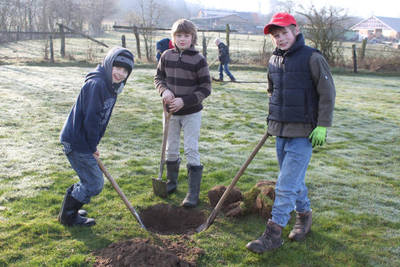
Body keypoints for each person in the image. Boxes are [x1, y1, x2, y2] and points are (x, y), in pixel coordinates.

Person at [246, 12, 336, 253]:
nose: (280, 38)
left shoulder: (312, 58)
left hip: (304, 132)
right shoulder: (274, 60)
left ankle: (272, 235)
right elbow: (272, 90)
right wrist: (274, 119)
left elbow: (328, 93)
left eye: (284, 32)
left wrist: (322, 125)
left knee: (285, 185)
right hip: (280, 130)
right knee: (294, 180)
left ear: (296, 30)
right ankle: (304, 216)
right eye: (276, 35)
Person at [58, 47, 134, 226]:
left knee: (90, 181)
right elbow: (91, 120)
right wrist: (92, 147)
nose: (120, 73)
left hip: (83, 140)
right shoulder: (98, 85)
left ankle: (71, 208)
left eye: (125, 71)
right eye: (117, 67)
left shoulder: (110, 86)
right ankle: (68, 215)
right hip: (78, 141)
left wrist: (93, 144)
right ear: (109, 64)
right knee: (94, 184)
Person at [154, 19, 211, 208]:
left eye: (186, 36)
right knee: (170, 148)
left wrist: (184, 101)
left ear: (192, 37)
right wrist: (164, 91)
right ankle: (171, 183)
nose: (182, 39)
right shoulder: (166, 56)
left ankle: (192, 193)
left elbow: (206, 88)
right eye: (179, 35)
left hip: (191, 113)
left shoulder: (198, 59)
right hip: (170, 112)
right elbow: (158, 77)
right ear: (173, 37)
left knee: (190, 149)